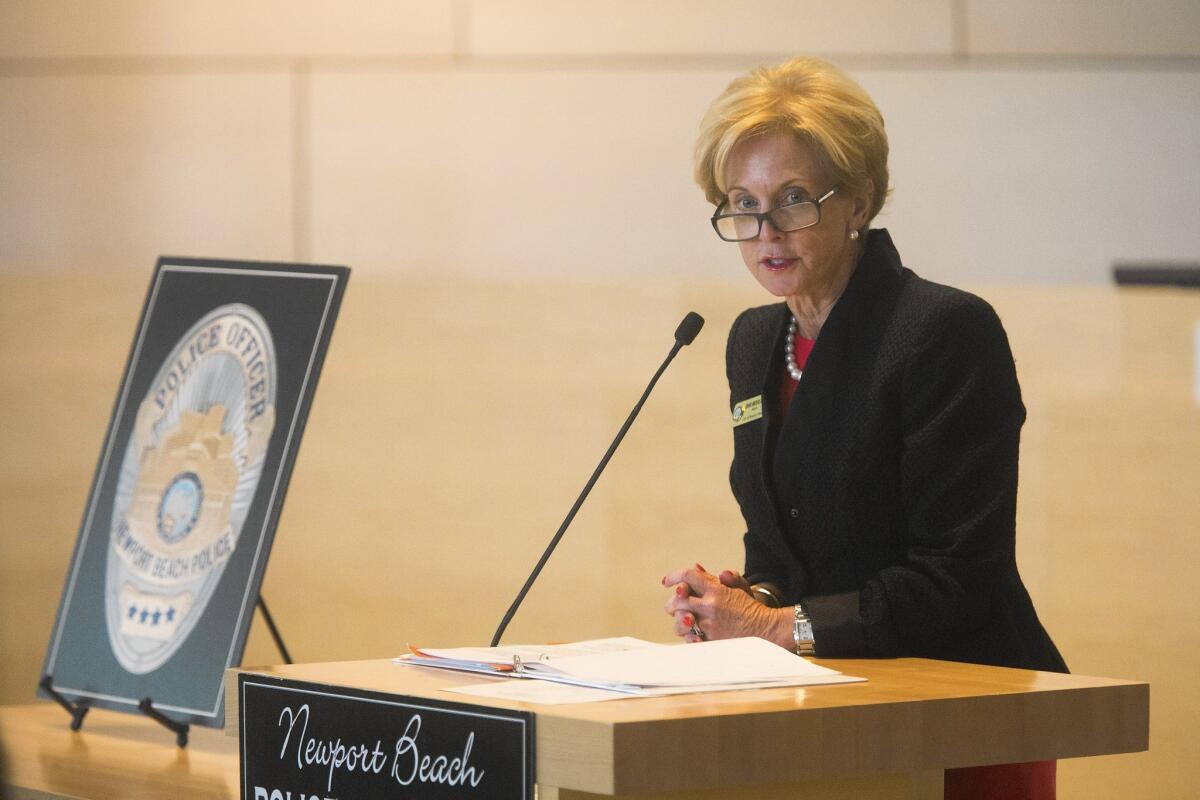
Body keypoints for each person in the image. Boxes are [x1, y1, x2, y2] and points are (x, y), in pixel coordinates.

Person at [662, 56, 1066, 800]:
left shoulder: (941, 332)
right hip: (831, 711)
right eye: (741, 204)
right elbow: (783, 544)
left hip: (965, 714)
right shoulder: (754, 341)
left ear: (861, 200)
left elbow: (956, 578)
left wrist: (780, 627)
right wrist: (739, 600)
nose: (765, 231)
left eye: (792, 199)